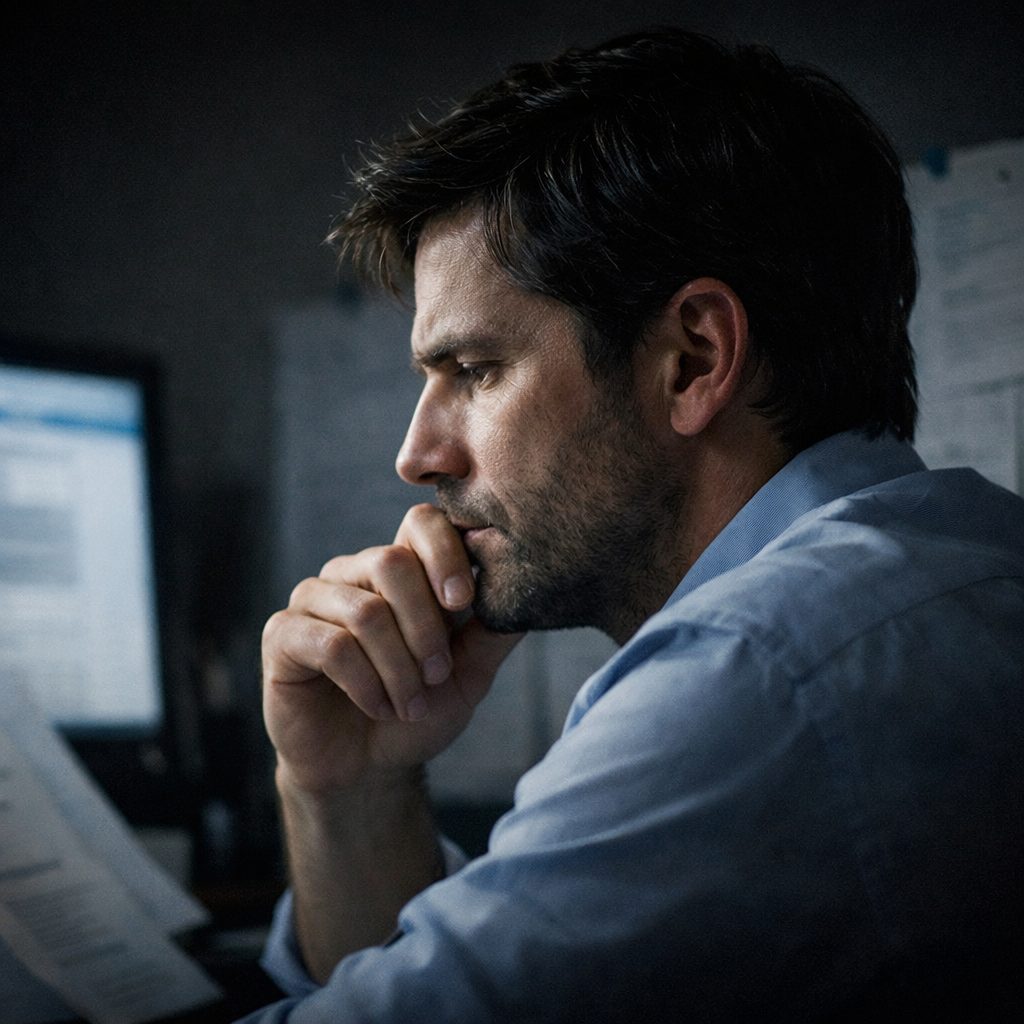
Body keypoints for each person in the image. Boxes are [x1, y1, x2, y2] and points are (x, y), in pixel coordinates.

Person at [244, 28, 1023, 1023]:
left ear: (693, 359)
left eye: (475, 372)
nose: (417, 455)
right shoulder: (962, 567)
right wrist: (348, 789)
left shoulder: (753, 672)